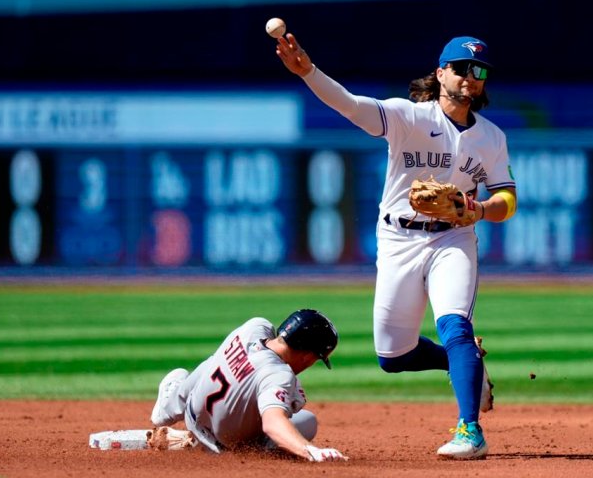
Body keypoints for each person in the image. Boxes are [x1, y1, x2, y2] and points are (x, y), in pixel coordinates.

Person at [275, 34, 517, 459]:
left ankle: (470, 430)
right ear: (440, 73)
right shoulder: (407, 117)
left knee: (455, 323)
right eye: (460, 68)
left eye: (478, 71)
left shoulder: (492, 138)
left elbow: (507, 199)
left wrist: (477, 210)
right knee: (392, 355)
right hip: (397, 239)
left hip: (453, 238)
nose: (469, 77)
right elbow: (349, 104)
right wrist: (308, 72)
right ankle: (465, 366)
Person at [149, 309, 348, 462]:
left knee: (214, 362)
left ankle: (167, 409)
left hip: (192, 415)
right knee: (307, 420)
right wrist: (311, 450)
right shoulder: (279, 375)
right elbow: (272, 423)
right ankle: (249, 452)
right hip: (223, 447)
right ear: (307, 355)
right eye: (316, 358)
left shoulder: (254, 327)